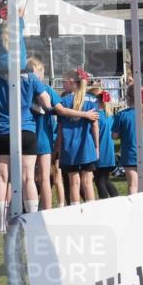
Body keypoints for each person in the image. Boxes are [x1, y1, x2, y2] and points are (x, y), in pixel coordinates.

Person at [0, 60, 94, 229]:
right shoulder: (31, 78)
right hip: (27, 131)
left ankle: (1, 224)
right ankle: (34, 221)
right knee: (29, 178)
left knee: (2, 179)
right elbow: (47, 104)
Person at [57, 69, 99, 204]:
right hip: (87, 146)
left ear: (71, 82)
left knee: (73, 182)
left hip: (69, 146)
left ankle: (76, 212)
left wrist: (57, 147)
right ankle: (91, 212)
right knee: (88, 182)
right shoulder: (92, 99)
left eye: (63, 82)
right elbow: (95, 126)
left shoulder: (63, 101)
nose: (63, 85)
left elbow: (60, 127)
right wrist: (97, 146)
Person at [26, 57, 62, 210]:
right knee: (45, 179)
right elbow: (59, 109)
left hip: (28, 137)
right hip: (44, 139)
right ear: (40, 73)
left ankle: (29, 209)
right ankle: (46, 210)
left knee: (28, 178)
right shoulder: (47, 90)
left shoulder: (23, 88)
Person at [113, 87, 143, 195]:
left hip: (129, 154)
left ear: (128, 98)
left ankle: (133, 210)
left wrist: (124, 132)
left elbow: (114, 136)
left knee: (132, 186)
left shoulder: (122, 114)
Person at [89, 88, 119, 199]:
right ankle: (116, 198)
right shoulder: (110, 115)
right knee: (106, 179)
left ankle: (104, 202)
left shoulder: (96, 116)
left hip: (100, 152)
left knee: (99, 180)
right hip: (109, 153)